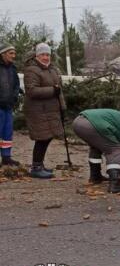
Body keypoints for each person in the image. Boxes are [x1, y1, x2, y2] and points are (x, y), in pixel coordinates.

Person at [72, 107, 120, 193]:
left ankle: (95, 177)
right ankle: (115, 183)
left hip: (78, 121)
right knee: (114, 150)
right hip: (92, 123)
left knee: (96, 147)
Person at [23, 43, 65, 179]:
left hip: (50, 110)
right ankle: (36, 167)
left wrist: (62, 106)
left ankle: (39, 164)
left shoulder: (52, 69)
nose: (46, 57)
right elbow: (31, 91)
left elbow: (59, 90)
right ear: (37, 56)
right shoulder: (31, 70)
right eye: (43, 55)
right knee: (42, 138)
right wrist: (52, 90)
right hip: (38, 111)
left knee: (47, 138)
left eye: (48, 54)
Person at [0, 44, 20, 167]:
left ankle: (6, 157)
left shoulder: (13, 69)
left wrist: (15, 96)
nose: (14, 55)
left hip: (8, 106)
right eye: (11, 53)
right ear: (3, 54)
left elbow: (17, 85)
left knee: (7, 133)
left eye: (14, 53)